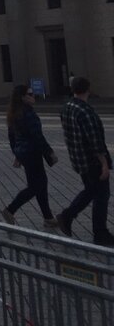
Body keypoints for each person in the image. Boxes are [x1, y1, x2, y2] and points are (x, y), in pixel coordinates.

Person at [57, 77, 113, 246]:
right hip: (92, 161)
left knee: (91, 191)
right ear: (88, 89)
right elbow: (95, 141)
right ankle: (99, 232)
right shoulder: (85, 111)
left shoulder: (68, 107)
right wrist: (104, 163)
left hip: (79, 160)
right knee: (101, 195)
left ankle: (67, 216)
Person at [1, 83, 58, 227]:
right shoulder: (28, 113)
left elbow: (12, 137)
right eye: (30, 94)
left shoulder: (14, 113)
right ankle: (10, 209)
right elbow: (37, 136)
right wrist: (49, 151)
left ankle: (48, 216)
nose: (34, 97)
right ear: (22, 97)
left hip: (26, 153)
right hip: (33, 153)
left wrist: (17, 153)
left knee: (40, 184)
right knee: (35, 186)